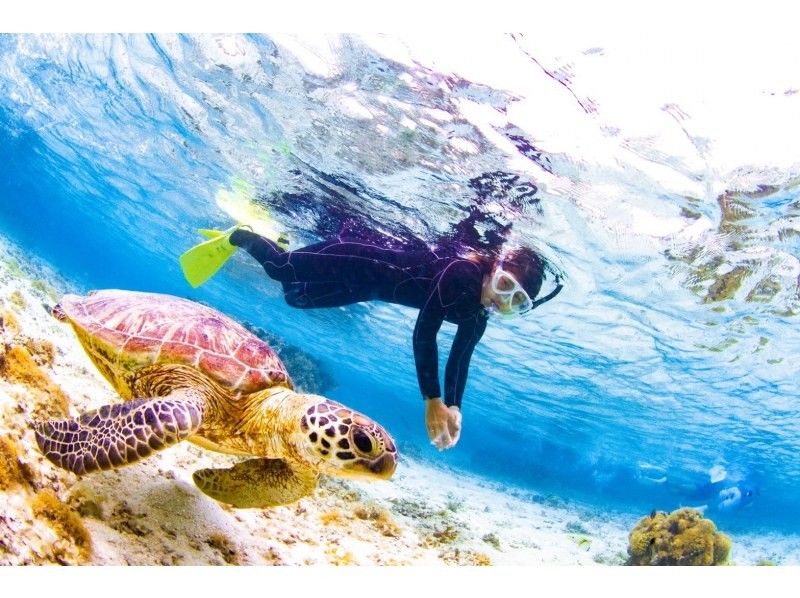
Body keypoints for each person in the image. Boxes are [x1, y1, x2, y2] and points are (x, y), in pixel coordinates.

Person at [208, 225, 563, 451]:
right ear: (493, 268)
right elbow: (425, 331)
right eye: (505, 286)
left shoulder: (478, 314)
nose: (502, 301)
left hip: (368, 288)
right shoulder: (463, 272)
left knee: (296, 298)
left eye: (516, 303)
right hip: (359, 257)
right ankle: (242, 234)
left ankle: (278, 238)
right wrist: (432, 401)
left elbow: (461, 357)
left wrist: (455, 406)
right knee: (280, 269)